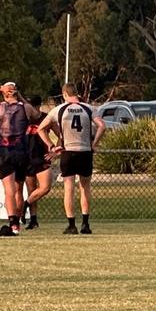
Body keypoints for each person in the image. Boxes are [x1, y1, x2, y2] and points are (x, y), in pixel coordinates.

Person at [37, 83, 105, 234]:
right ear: (77, 93)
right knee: (85, 187)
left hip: (68, 151)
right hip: (85, 151)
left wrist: (51, 146)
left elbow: (40, 129)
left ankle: (71, 225)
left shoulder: (59, 110)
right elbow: (102, 126)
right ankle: (85, 224)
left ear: (64, 94)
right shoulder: (89, 108)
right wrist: (94, 143)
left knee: (69, 188)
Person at [0, 82, 43, 236]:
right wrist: (20, 97)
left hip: (4, 152)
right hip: (21, 152)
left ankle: (13, 223)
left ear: (4, 93)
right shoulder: (25, 108)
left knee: (9, 190)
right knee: (18, 190)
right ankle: (18, 224)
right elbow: (36, 115)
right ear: (16, 92)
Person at [22, 95, 55, 230]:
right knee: (31, 189)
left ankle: (25, 204)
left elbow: (60, 135)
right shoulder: (23, 120)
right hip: (27, 157)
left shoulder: (45, 118)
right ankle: (33, 220)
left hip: (42, 157)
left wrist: (54, 151)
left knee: (44, 188)